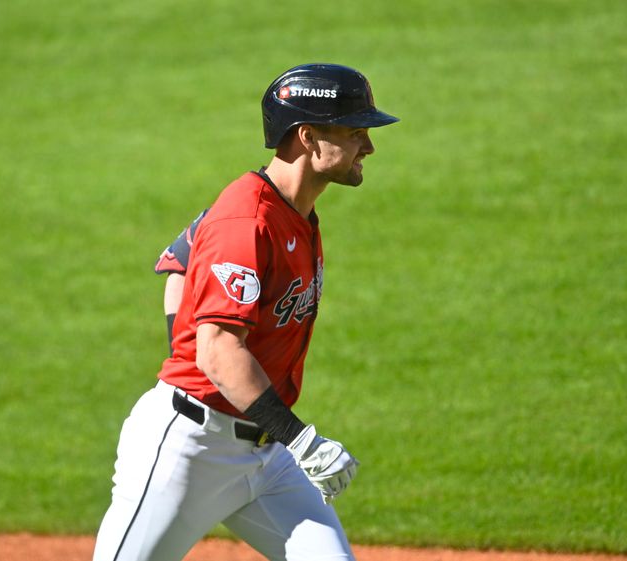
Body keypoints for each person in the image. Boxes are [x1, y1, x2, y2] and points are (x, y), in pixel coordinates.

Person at [93, 63, 399, 561]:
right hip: (189, 452)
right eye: (355, 132)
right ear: (307, 137)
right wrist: (206, 366)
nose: (369, 147)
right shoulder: (248, 219)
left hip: (265, 456)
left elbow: (179, 267)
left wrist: (198, 355)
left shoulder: (292, 208)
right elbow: (218, 348)